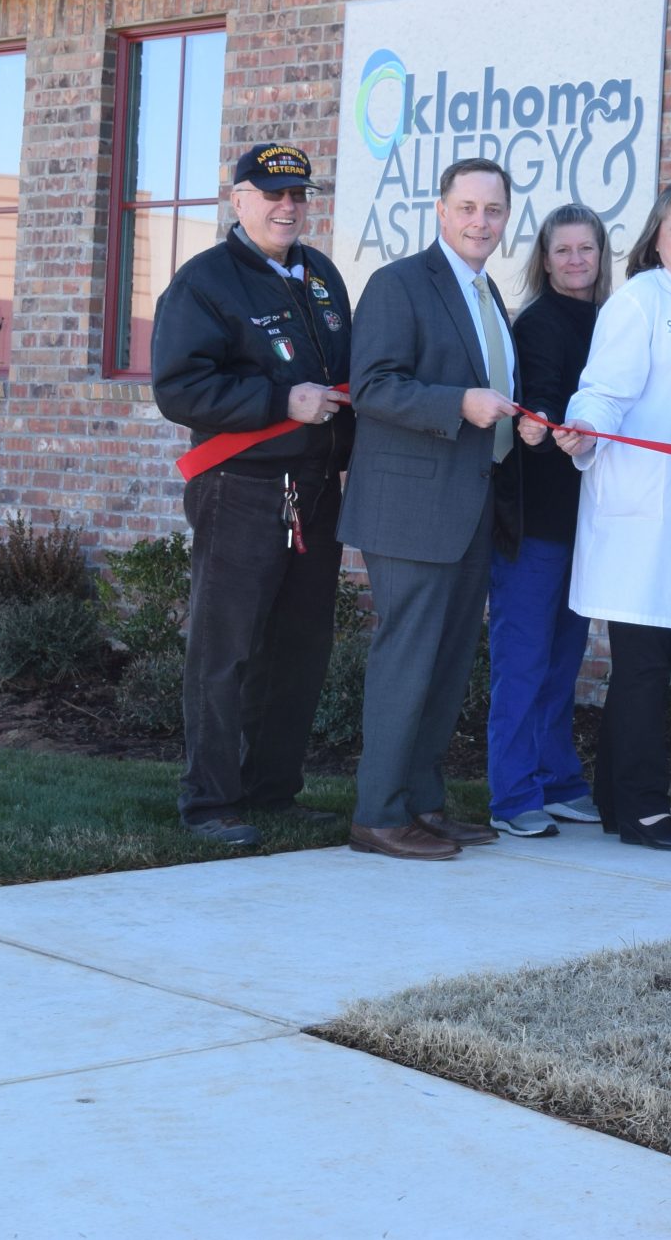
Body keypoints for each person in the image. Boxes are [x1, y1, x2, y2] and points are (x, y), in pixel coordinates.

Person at [151, 143, 353, 847]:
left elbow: (343, 379)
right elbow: (178, 386)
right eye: (271, 192)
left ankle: (273, 789)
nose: (287, 205)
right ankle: (210, 800)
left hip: (316, 494)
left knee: (299, 650)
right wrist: (278, 399)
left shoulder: (321, 276)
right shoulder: (205, 281)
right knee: (225, 649)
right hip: (241, 489)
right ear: (237, 200)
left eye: (297, 193)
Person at [340, 157, 522, 861]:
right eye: (469, 207)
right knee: (408, 658)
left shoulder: (487, 294)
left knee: (445, 663)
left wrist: (516, 422)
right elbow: (374, 386)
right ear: (441, 211)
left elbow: (490, 387)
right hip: (409, 507)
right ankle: (377, 813)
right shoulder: (399, 284)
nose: (481, 221)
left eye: (494, 210)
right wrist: (461, 404)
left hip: (469, 503)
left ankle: (420, 802)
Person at [557, 185, 671, 851]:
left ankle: (615, 799)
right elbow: (603, 390)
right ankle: (643, 810)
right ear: (655, 239)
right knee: (642, 662)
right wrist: (585, 429)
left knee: (661, 658)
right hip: (646, 510)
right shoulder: (640, 300)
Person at [481, 204, 611, 838]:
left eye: (586, 249)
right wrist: (548, 421)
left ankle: (557, 779)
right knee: (524, 659)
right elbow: (540, 409)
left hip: (586, 520)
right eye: (564, 250)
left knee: (565, 658)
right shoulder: (534, 324)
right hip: (534, 520)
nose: (576, 261)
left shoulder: (613, 319)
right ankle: (511, 795)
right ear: (545, 258)